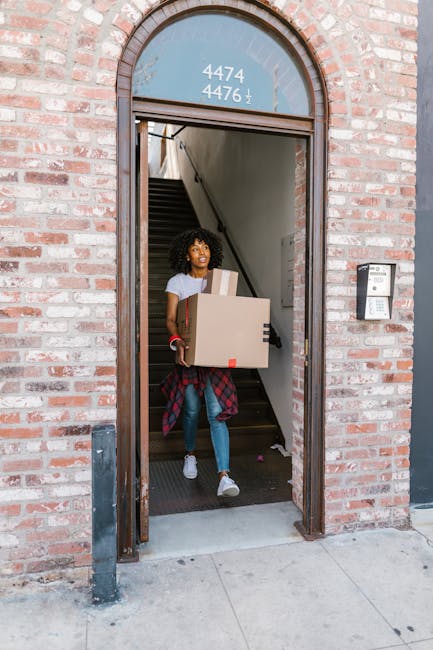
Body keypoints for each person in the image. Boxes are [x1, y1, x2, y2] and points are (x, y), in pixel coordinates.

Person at [161, 227, 240, 497]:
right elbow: (171, 318)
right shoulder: (178, 282)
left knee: (217, 413)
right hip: (189, 357)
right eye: (195, 248)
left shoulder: (220, 281)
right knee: (192, 410)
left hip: (215, 359)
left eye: (205, 247)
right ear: (187, 254)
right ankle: (190, 454)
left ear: (212, 252)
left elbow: (230, 316)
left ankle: (224, 476)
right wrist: (177, 341)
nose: (201, 252)